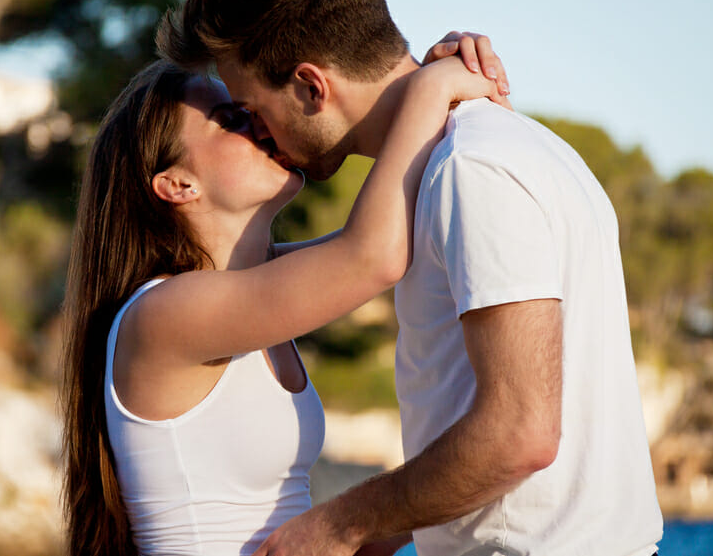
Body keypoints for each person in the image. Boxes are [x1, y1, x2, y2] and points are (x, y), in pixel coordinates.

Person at [158, 0, 664, 555]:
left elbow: (519, 436)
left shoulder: (471, 170)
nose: (261, 134)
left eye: (253, 110)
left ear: (309, 86)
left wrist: (335, 528)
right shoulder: (501, 151)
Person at [60, 37, 505, 554]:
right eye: (232, 118)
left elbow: (407, 241)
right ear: (177, 183)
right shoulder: (162, 314)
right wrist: (429, 87)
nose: (262, 124)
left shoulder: (254, 291)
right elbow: (374, 256)